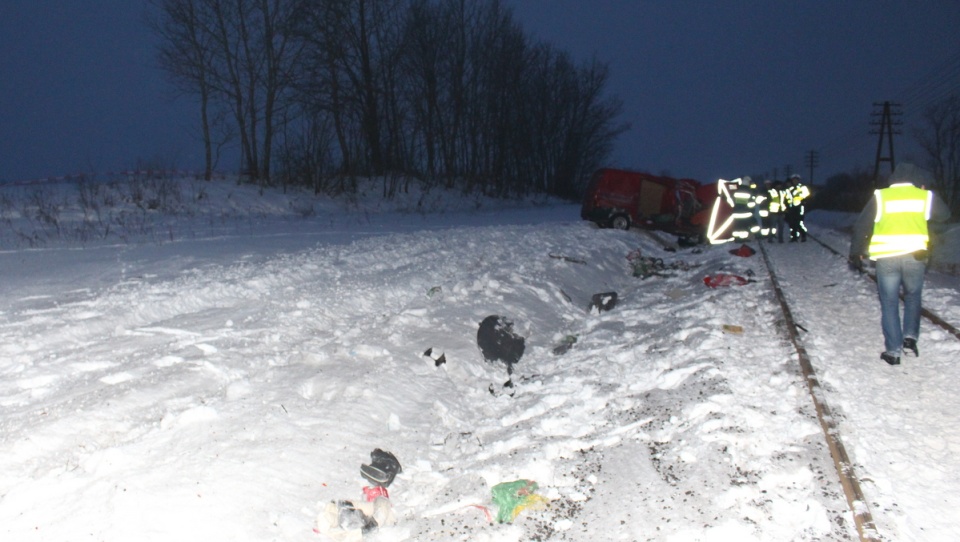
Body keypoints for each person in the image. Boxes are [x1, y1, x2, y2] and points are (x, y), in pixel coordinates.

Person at [849, 162, 950, 365]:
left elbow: (861, 226)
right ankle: (910, 339)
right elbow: (945, 215)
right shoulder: (924, 197)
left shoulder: (880, 197)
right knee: (913, 297)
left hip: (887, 259)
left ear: (893, 178)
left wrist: (856, 253)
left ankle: (893, 351)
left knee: (889, 302)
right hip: (915, 257)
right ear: (915, 179)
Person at [784, 174, 810, 242]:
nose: (795, 181)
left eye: (796, 180)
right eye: (793, 180)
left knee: (798, 223)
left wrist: (803, 201)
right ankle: (794, 237)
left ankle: (803, 235)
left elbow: (807, 196)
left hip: (799, 207)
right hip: (791, 208)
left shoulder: (802, 188)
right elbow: (786, 198)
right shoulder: (790, 189)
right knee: (792, 223)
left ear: (798, 180)